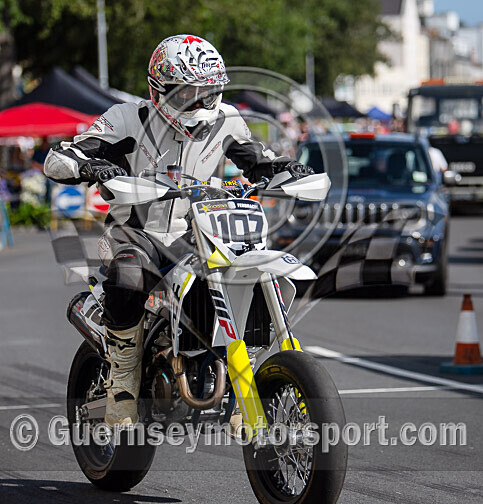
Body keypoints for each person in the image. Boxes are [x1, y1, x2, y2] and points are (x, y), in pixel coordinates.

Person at [44, 34, 312, 426]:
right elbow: (60, 156)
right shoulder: (126, 118)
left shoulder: (226, 120)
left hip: (198, 231)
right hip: (135, 233)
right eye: (190, 92)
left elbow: (257, 158)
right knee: (129, 273)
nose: (203, 102)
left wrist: (284, 169)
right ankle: (122, 385)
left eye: (210, 92)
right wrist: (90, 165)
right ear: (161, 90)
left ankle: (244, 380)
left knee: (249, 271)